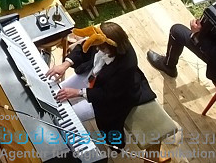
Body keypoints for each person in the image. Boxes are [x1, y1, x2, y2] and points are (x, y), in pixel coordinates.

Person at [49, 22, 176, 153]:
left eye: (101, 49)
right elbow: (83, 49)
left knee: (69, 114)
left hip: (111, 96)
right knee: (55, 91)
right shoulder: (100, 39)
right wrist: (65, 64)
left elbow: (109, 94)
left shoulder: (126, 66)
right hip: (94, 77)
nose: (97, 50)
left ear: (113, 47)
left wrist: (79, 93)